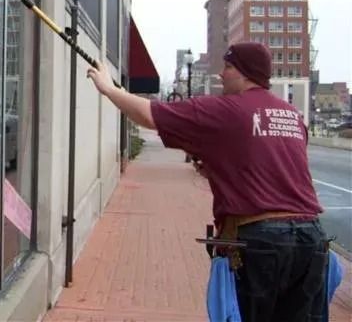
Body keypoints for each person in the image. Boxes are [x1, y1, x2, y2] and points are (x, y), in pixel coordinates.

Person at [87, 42, 328, 322]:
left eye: (228, 67)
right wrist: (220, 171)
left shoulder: (227, 110)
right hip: (311, 241)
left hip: (262, 242)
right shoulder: (292, 117)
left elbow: (150, 115)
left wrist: (109, 89)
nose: (221, 75)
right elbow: (275, 167)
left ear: (245, 73)